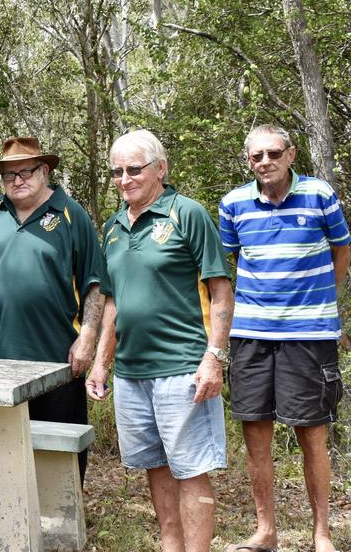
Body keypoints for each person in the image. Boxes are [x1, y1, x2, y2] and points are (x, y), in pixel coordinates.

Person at [85, 130, 234, 552]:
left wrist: (214, 358)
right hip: (133, 372)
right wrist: (101, 363)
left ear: (160, 168)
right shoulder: (113, 227)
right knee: (155, 466)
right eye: (117, 171)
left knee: (191, 470)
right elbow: (113, 301)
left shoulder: (187, 214)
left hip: (183, 367)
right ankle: (170, 545)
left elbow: (221, 291)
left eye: (134, 169)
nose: (125, 179)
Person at [218, 125, 351, 552]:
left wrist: (320, 300)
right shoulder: (233, 204)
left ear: (291, 154)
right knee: (255, 435)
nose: (265, 162)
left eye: (273, 153)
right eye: (256, 156)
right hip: (251, 334)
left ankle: (321, 534)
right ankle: (266, 531)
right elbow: (237, 259)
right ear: (248, 161)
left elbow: (341, 250)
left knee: (311, 432)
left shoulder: (319, 195)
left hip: (309, 333)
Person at [0, 137, 103, 482]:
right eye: (9, 175)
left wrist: (87, 337)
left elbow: (95, 284)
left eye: (25, 172)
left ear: (45, 171)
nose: (17, 180)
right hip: (0, 355)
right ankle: (7, 515)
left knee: (59, 447)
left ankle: (62, 522)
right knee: (1, 444)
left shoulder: (71, 214)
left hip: (57, 358)